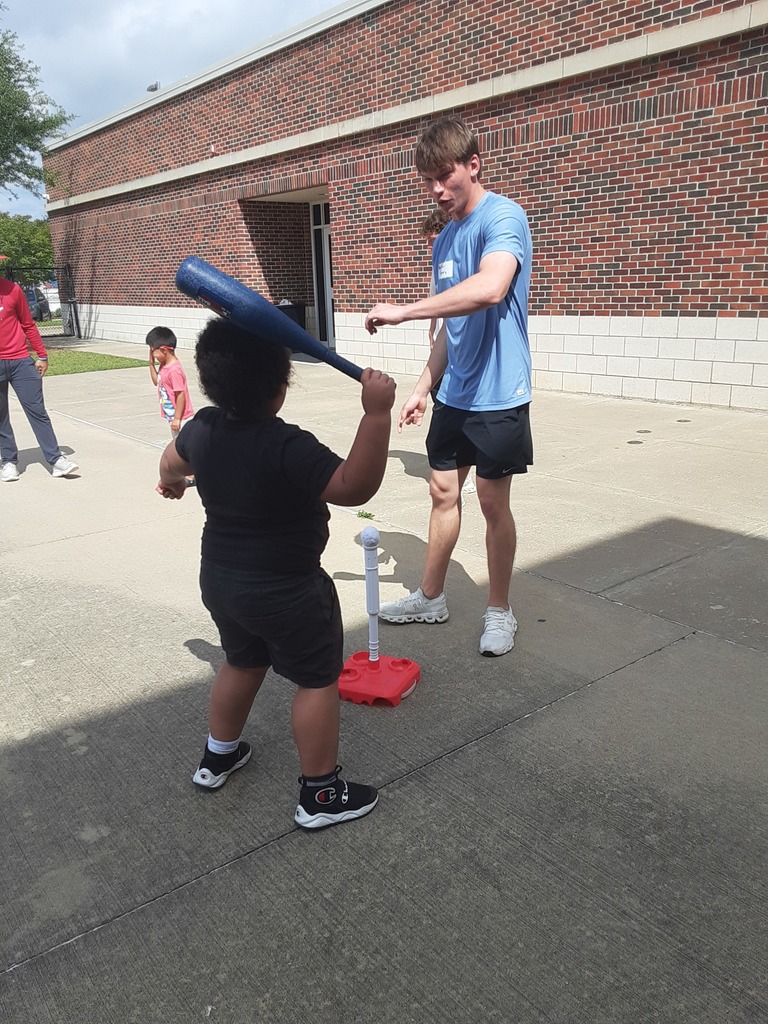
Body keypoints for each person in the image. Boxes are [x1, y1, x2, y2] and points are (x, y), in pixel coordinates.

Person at [156, 318, 396, 830]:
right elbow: (353, 487)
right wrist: (376, 416)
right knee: (315, 681)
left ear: (209, 383)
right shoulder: (288, 445)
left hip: (221, 580)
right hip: (288, 589)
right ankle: (321, 795)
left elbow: (170, 461)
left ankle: (217, 757)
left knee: (241, 662)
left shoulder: (201, 429)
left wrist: (171, 482)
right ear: (281, 385)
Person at [365, 115, 533, 658]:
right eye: (427, 180)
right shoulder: (446, 240)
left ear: (473, 164)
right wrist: (422, 387)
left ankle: (500, 611)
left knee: (490, 501)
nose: (437, 189)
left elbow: (490, 288)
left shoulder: (502, 217)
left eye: (445, 175)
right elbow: (450, 330)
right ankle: (430, 597)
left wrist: (403, 312)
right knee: (442, 493)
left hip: (500, 394)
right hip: (454, 396)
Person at [0, 269, 79, 482]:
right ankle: (9, 461)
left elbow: (28, 324)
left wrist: (42, 355)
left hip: (20, 361)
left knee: (37, 411)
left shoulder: (13, 290)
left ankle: (56, 460)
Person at [421, 208, 475, 499]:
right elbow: (436, 302)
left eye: (434, 239)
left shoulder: (461, 263)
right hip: (444, 344)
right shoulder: (437, 264)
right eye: (428, 241)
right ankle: (453, 465)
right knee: (441, 402)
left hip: (463, 350)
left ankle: (464, 471)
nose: (431, 245)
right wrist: (431, 330)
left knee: (457, 409)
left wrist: (403, 314)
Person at [146, 326, 195, 437]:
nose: (152, 354)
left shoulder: (174, 370)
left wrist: (177, 418)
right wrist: (151, 364)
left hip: (182, 418)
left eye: (152, 350)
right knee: (177, 445)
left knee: (182, 448)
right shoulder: (164, 366)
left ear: (163, 350)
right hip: (172, 417)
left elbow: (181, 394)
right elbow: (156, 382)